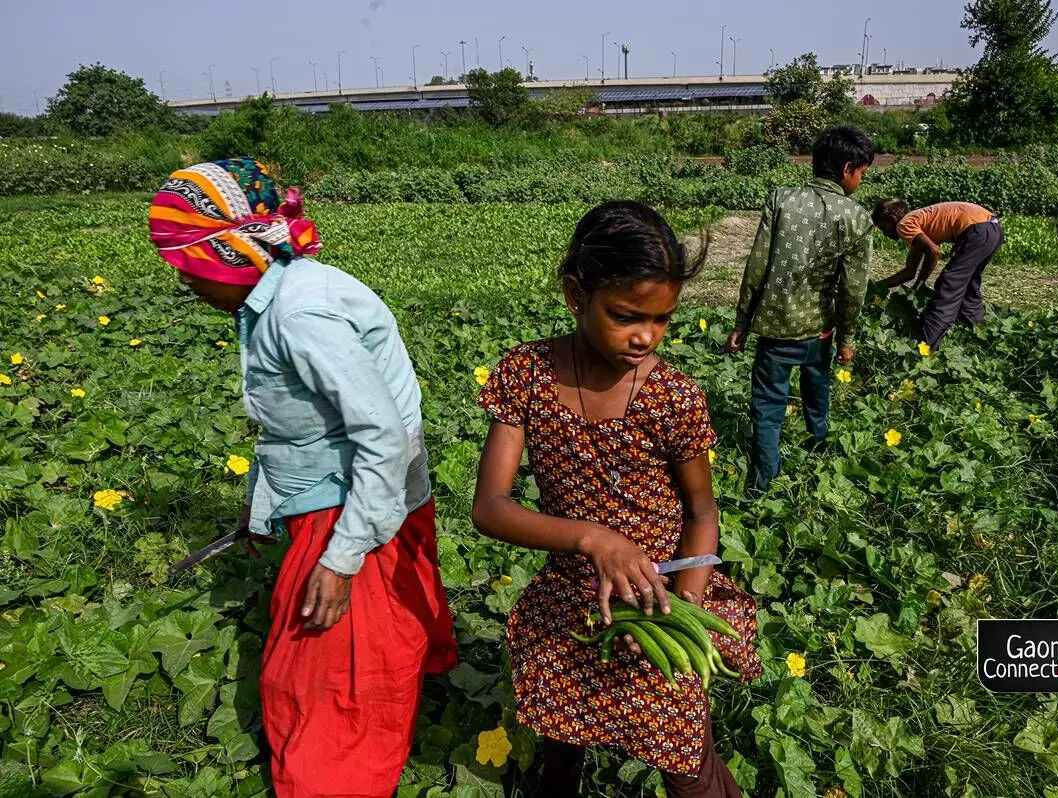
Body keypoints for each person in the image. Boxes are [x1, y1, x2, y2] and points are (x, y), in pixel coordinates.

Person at [148, 158, 457, 798]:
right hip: (363, 493)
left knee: (327, 680)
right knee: (370, 646)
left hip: (351, 506)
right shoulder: (282, 291)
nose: (185, 284)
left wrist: (342, 559)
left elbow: (380, 435)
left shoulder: (298, 314)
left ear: (228, 255)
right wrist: (264, 505)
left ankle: (334, 782)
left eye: (187, 268)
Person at [471, 201, 762, 797]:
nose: (645, 337)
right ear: (576, 295)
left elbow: (703, 514)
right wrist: (594, 538)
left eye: (662, 321)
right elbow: (490, 506)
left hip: (662, 595)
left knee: (684, 757)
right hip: (571, 597)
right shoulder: (526, 374)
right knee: (560, 734)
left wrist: (677, 611)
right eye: (627, 315)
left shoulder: (672, 397)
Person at [724, 124, 876, 492]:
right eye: (862, 173)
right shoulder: (856, 217)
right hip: (820, 331)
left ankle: (763, 481)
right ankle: (818, 446)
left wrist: (742, 321)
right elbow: (853, 289)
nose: (860, 180)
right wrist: (847, 337)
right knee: (817, 388)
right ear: (847, 169)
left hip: (776, 330)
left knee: (768, 405)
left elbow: (757, 265)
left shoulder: (781, 200)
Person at [872, 198, 1004, 350]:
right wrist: (874, 287)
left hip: (977, 230)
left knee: (947, 285)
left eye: (883, 227)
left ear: (892, 219)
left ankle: (927, 347)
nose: (884, 233)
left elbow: (933, 251)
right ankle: (979, 338)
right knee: (968, 288)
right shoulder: (918, 227)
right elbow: (909, 272)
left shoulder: (904, 224)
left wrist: (921, 283)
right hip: (992, 229)